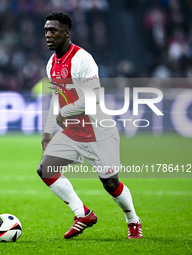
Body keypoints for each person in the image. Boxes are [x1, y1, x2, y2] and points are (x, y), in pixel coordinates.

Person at [38, 11, 142, 239]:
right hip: (73, 130)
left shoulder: (82, 59)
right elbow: (56, 97)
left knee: (110, 183)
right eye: (46, 30)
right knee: (45, 170)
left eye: (53, 30)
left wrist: (63, 112)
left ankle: (133, 220)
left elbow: (92, 98)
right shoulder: (51, 64)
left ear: (66, 32)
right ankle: (82, 214)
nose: (47, 34)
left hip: (98, 131)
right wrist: (48, 131)